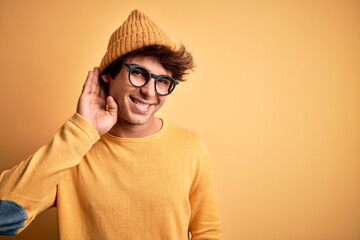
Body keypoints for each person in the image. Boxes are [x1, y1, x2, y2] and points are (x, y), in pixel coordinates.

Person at [0, 9, 223, 239]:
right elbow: (3, 216)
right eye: (138, 73)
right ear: (109, 74)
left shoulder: (192, 148)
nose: (149, 92)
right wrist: (81, 131)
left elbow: (207, 232)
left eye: (163, 81)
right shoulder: (73, 151)